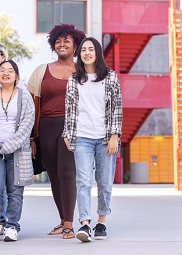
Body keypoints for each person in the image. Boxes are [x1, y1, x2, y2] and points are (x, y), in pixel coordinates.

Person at [26, 23, 86, 239]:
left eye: (66, 41)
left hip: (73, 128)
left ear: (76, 45)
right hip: (47, 128)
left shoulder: (84, 70)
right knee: (54, 176)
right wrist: (33, 137)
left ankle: (69, 223)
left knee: (67, 172)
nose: (62, 44)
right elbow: (33, 106)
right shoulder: (41, 70)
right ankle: (63, 220)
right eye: (58, 41)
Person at [62, 37, 122, 242]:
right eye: (83, 50)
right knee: (83, 181)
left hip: (106, 138)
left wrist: (114, 136)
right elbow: (69, 110)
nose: (87, 53)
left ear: (97, 52)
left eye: (91, 49)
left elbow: (116, 110)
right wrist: (67, 134)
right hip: (82, 137)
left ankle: (101, 222)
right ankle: (85, 224)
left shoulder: (110, 77)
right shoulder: (74, 79)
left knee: (104, 182)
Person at [0, 60, 34, 242]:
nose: (5, 73)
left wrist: (9, 146)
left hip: (17, 151)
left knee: (15, 190)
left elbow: (27, 124)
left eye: (10, 70)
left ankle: (12, 225)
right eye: (2, 70)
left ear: (16, 76)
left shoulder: (24, 97)